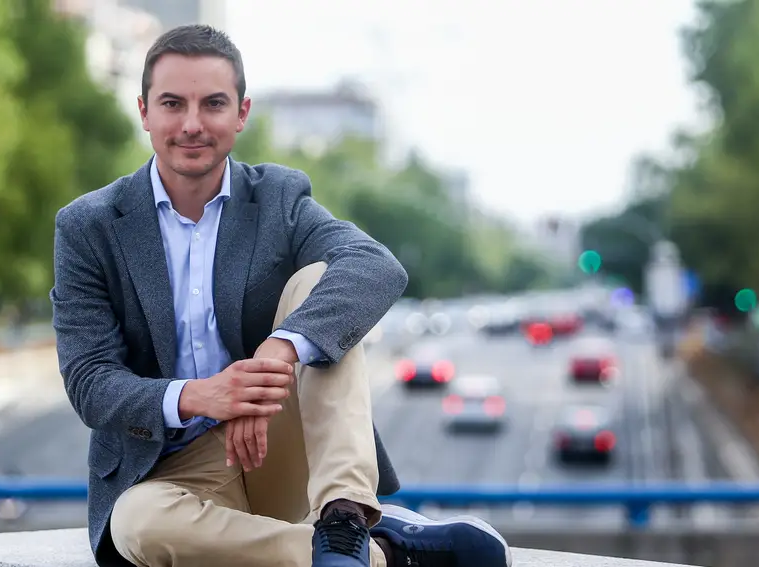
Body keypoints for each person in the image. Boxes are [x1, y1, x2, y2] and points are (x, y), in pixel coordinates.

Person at [50, 23, 512, 567]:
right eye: (173, 103)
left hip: (277, 442)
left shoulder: (278, 198)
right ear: (144, 111)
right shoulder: (89, 225)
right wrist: (205, 396)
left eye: (213, 104)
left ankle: (342, 518)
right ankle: (381, 551)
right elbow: (91, 382)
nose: (192, 124)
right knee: (135, 526)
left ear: (241, 114)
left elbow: (375, 266)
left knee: (319, 283)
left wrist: (278, 353)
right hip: (170, 470)